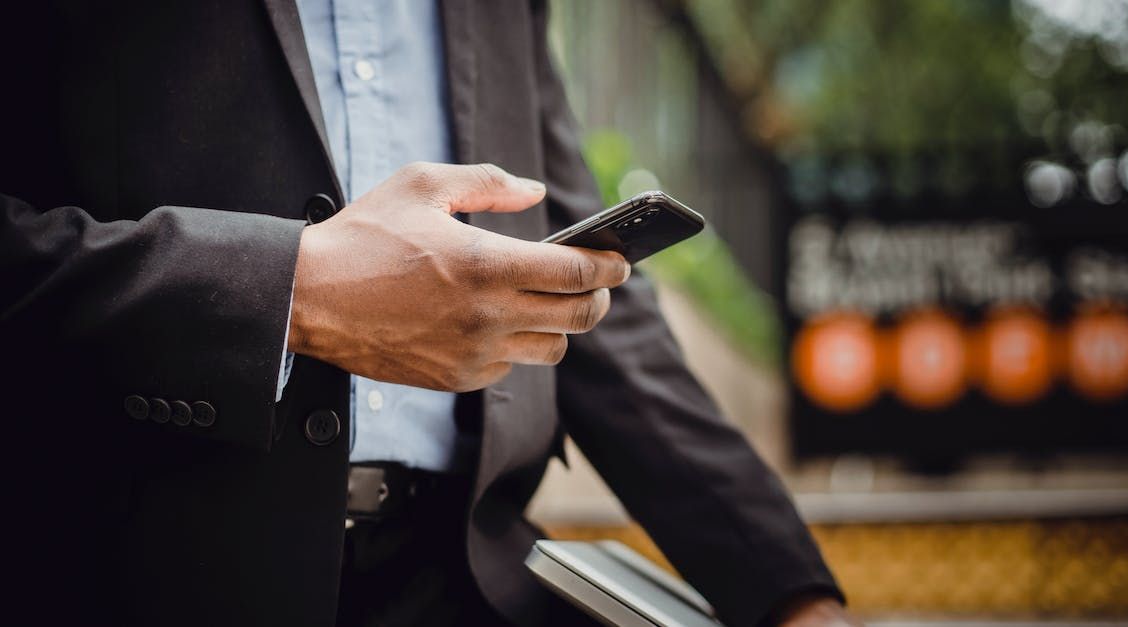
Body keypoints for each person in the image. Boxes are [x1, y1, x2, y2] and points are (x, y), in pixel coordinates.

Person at [0, 1, 860, 626]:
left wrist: (788, 592)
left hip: (464, 578)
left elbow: (586, 290)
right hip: (131, 569)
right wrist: (292, 290)